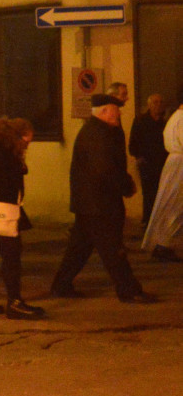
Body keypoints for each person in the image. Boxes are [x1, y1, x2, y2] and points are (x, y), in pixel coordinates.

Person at [50, 95, 155, 302]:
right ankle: (129, 290)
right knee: (113, 249)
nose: (119, 114)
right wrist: (125, 185)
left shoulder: (99, 131)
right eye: (116, 110)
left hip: (90, 203)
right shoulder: (97, 134)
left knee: (79, 247)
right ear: (104, 111)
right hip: (99, 204)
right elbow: (105, 169)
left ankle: (61, 285)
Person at [0, 118, 45, 319]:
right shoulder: (3, 155)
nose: (28, 144)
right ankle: (14, 302)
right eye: (26, 140)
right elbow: (5, 184)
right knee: (11, 256)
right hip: (2, 211)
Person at [140, 100, 183, 263]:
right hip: (179, 166)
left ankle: (163, 243)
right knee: (175, 206)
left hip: (174, 164)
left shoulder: (174, 118)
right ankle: (164, 244)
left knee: (169, 205)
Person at [131, 94, 170, 227]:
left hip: (161, 164)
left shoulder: (164, 123)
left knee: (161, 192)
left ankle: (158, 220)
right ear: (149, 105)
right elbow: (133, 142)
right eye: (155, 102)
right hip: (146, 163)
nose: (158, 105)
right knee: (148, 193)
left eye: (160, 102)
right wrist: (139, 157)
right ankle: (147, 220)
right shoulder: (140, 121)